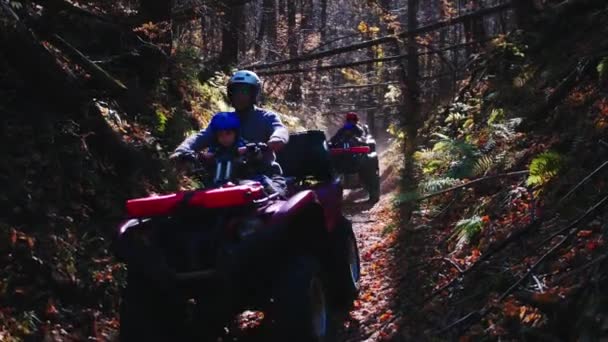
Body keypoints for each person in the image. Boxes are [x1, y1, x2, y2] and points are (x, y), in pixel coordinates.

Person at [170, 70, 288, 195]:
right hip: (226, 181)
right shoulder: (224, 121)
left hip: (267, 177)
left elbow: (280, 129)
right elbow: (201, 136)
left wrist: (276, 139)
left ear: (254, 93)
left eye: (245, 91)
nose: (239, 96)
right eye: (236, 91)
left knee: (274, 203)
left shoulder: (267, 117)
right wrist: (182, 151)